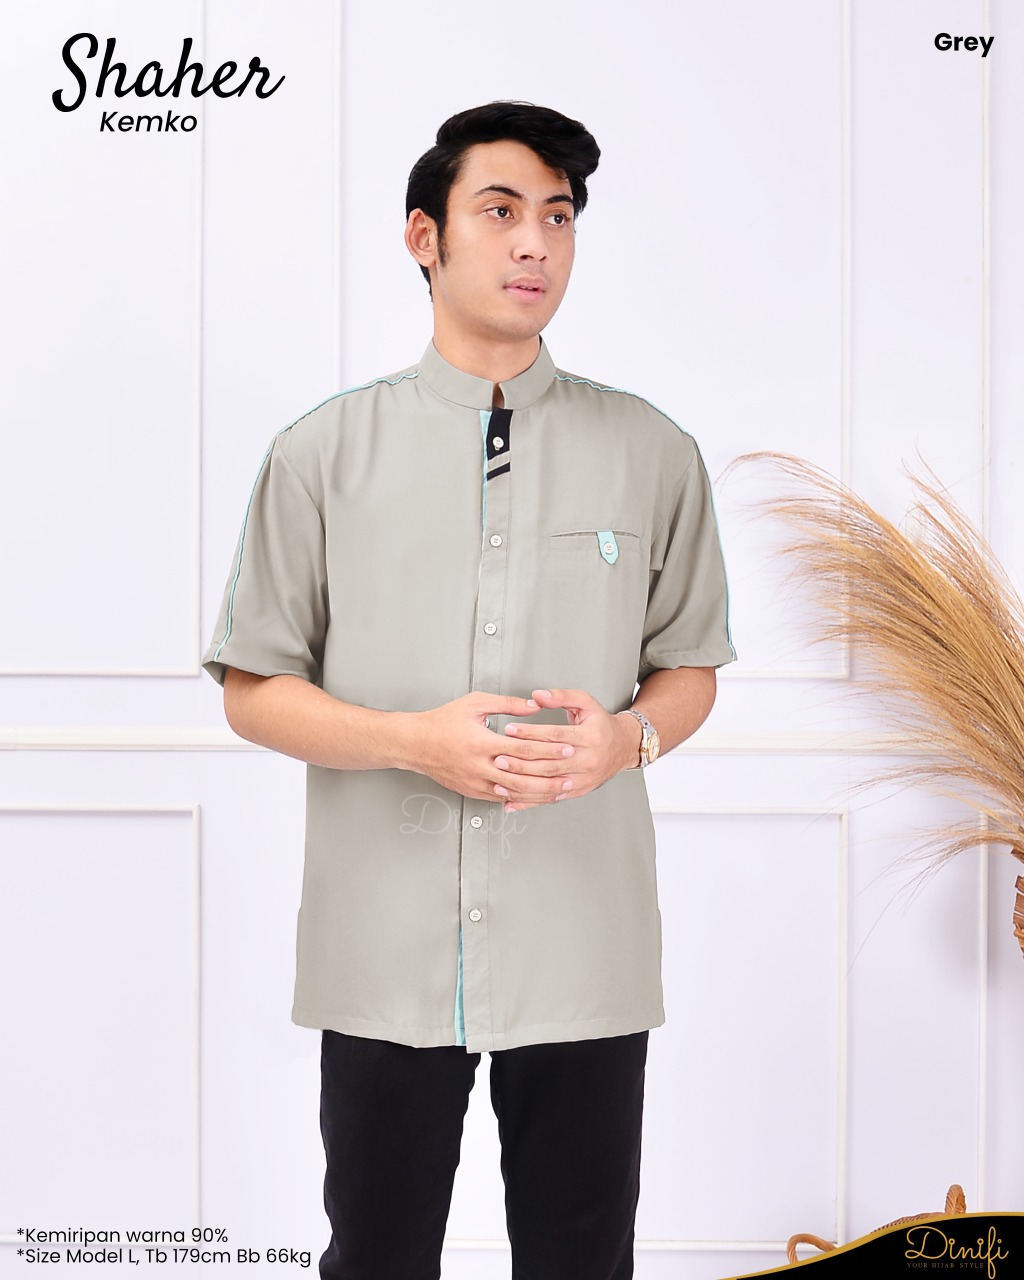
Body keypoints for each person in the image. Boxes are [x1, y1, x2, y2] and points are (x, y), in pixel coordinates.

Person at [203, 100, 736, 1280]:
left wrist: (628, 739)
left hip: (582, 939)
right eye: (499, 211)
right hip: (382, 946)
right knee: (377, 1257)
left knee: (582, 1260)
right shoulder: (319, 454)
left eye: (557, 215)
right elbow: (252, 686)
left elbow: (691, 665)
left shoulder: (652, 452)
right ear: (424, 237)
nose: (534, 241)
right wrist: (413, 739)